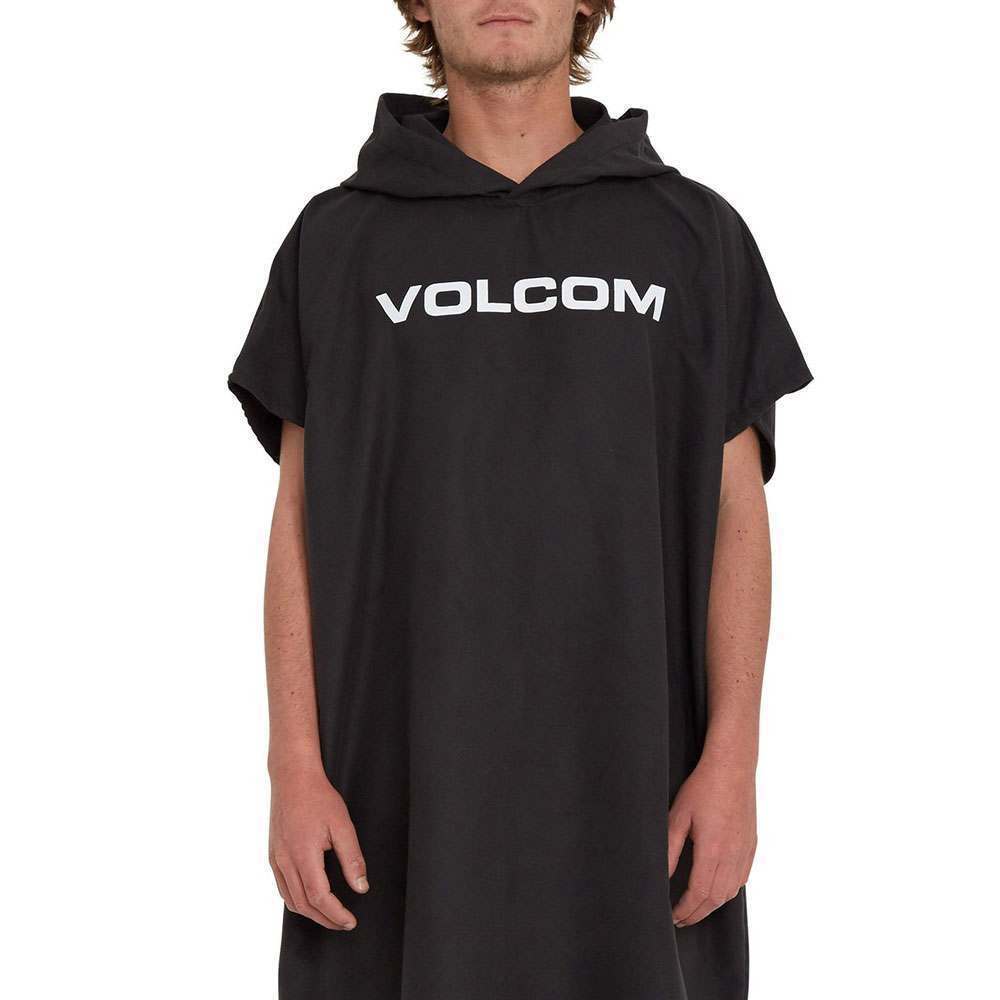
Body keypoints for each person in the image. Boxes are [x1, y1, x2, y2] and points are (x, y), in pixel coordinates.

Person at [228, 2, 812, 997]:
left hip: (639, 788)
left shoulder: (694, 235)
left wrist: (732, 764)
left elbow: (737, 517)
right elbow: (297, 519)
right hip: (390, 797)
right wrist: (293, 766)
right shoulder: (338, 240)